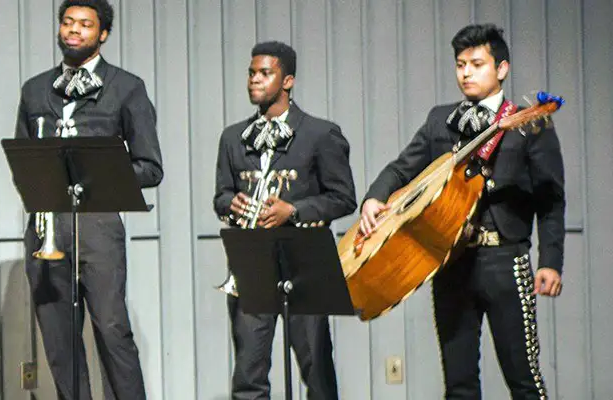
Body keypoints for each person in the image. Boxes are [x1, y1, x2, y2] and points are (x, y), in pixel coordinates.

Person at [356, 24, 565, 400]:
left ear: (501, 69)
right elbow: (403, 167)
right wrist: (374, 197)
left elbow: (551, 199)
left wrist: (551, 262)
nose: (465, 72)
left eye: (477, 64)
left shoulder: (530, 122)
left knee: (524, 379)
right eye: (460, 64)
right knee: (458, 383)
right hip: (451, 262)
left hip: (506, 259)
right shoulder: (441, 120)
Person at [13, 0, 163, 398]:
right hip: (47, 227)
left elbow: (150, 167)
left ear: (103, 35)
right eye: (67, 22)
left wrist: (92, 175)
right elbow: (25, 165)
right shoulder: (35, 90)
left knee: (113, 332)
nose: (73, 30)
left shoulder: (127, 87)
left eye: (84, 24)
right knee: (60, 344)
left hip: (98, 225)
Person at [212, 41, 352, 400]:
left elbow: (343, 198)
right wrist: (234, 204)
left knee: (316, 369)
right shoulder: (232, 137)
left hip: (305, 259)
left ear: (287, 81)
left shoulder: (321, 133)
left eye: (265, 73)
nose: (254, 80)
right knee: (248, 372)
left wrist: (294, 211)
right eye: (251, 73)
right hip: (251, 262)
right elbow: (221, 196)